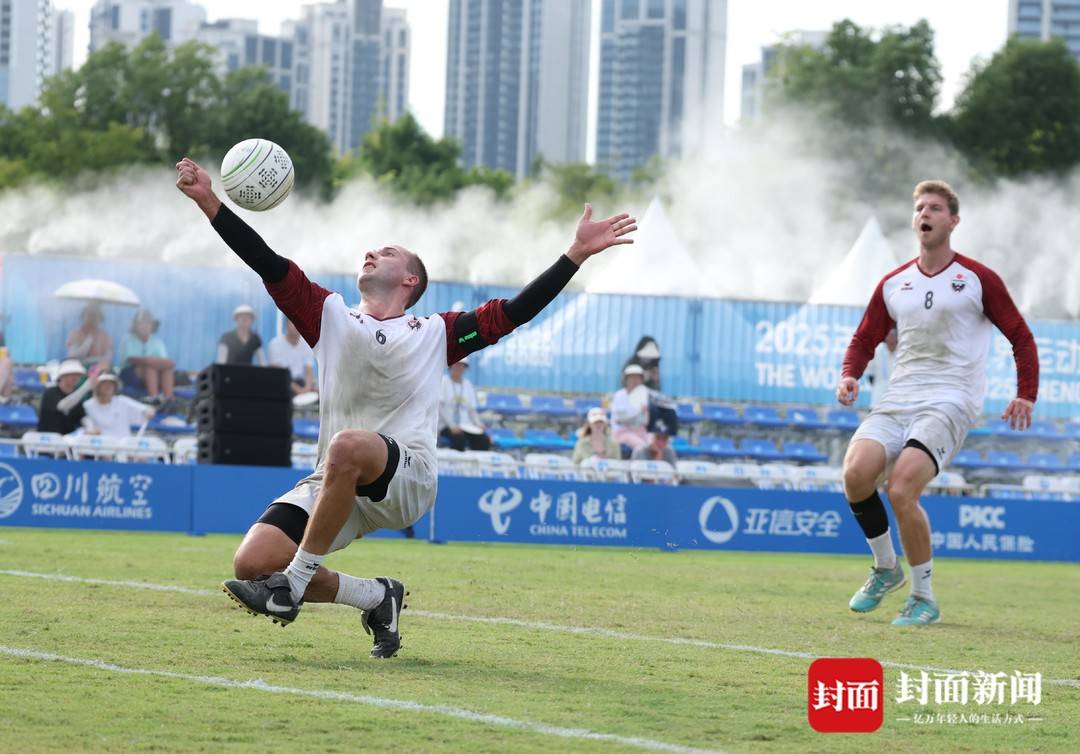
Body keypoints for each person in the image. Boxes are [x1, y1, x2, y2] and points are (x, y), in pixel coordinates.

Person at [176, 156, 636, 657]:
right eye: (371, 250)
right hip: (336, 479)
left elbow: (514, 312)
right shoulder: (327, 315)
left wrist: (574, 254)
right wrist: (207, 201)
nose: (371, 252)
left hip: (407, 476)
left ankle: (291, 588)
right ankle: (376, 596)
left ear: (410, 281)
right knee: (253, 563)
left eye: (387, 252)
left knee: (346, 447)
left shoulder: (437, 331)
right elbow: (265, 258)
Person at [837, 180, 1038, 627]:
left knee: (902, 488)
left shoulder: (977, 279)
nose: (924, 214)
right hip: (900, 395)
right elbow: (865, 336)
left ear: (953, 220)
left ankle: (924, 598)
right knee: (855, 474)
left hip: (951, 398)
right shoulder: (894, 283)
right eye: (918, 208)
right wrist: (850, 372)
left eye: (934, 207)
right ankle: (887, 570)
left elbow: (1021, 337)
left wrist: (1026, 392)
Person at [119, 309, 175, 401]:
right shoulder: (128, 340)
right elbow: (131, 359)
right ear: (135, 325)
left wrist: (152, 361)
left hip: (154, 373)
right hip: (130, 374)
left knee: (166, 369)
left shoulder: (157, 342)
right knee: (149, 367)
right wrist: (149, 361)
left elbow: (165, 362)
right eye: (141, 323)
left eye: (148, 323)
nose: (145, 326)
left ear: (152, 326)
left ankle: (169, 399)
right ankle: (154, 399)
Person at [438, 357, 490, 451]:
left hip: (466, 426)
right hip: (446, 425)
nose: (459, 367)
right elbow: (440, 408)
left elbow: (472, 410)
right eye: (456, 364)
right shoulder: (443, 381)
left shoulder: (468, 385)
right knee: (459, 439)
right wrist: (452, 426)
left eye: (462, 365)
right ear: (451, 365)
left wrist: (479, 424)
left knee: (483, 440)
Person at [82, 372, 155, 438]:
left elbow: (146, 410)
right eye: (104, 383)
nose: (108, 386)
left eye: (111, 384)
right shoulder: (87, 406)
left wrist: (148, 411)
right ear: (97, 387)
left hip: (123, 446)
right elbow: (87, 426)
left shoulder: (123, 401)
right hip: (98, 446)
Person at [37, 360, 89, 435]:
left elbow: (83, 417)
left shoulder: (77, 396)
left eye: (78, 374)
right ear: (61, 376)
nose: (75, 377)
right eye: (71, 374)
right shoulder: (50, 392)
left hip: (68, 442)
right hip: (47, 441)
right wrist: (87, 386)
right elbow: (62, 406)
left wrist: (91, 429)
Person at [268, 318, 317, 396]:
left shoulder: (307, 343)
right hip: (283, 384)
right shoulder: (275, 344)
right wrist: (299, 390)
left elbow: (309, 370)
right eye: (294, 323)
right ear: (287, 325)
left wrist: (307, 389)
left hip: (302, 383)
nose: (297, 326)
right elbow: (279, 373)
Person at [610, 363, 650, 451]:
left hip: (640, 431)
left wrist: (640, 415)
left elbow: (644, 421)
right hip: (621, 433)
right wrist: (638, 413)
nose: (635, 380)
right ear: (625, 379)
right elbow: (620, 420)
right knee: (643, 447)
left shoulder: (643, 396)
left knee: (655, 443)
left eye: (638, 377)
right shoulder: (619, 395)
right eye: (632, 377)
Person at [66, 303, 113, 369]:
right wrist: (88, 340)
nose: (92, 318)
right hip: (78, 370)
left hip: (98, 370)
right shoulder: (75, 334)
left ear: (100, 318)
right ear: (83, 316)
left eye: (95, 315)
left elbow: (108, 358)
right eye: (89, 315)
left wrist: (90, 360)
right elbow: (73, 356)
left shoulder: (106, 336)